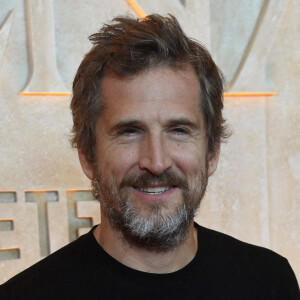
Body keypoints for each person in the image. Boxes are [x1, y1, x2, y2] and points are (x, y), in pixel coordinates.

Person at [1, 14, 299, 300]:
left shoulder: (269, 281)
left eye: (179, 130)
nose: (156, 162)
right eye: (130, 131)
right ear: (87, 155)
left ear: (212, 152)